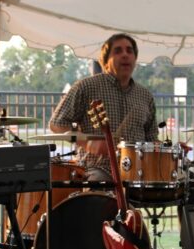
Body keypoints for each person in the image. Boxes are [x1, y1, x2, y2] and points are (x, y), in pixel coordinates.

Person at [49, 33, 158, 181]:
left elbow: (152, 139)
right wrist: (87, 142)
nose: (125, 55)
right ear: (105, 61)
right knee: (98, 185)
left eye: (129, 50)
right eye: (118, 51)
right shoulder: (86, 87)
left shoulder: (145, 95)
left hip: (138, 172)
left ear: (135, 59)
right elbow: (57, 124)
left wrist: (173, 150)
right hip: (97, 169)